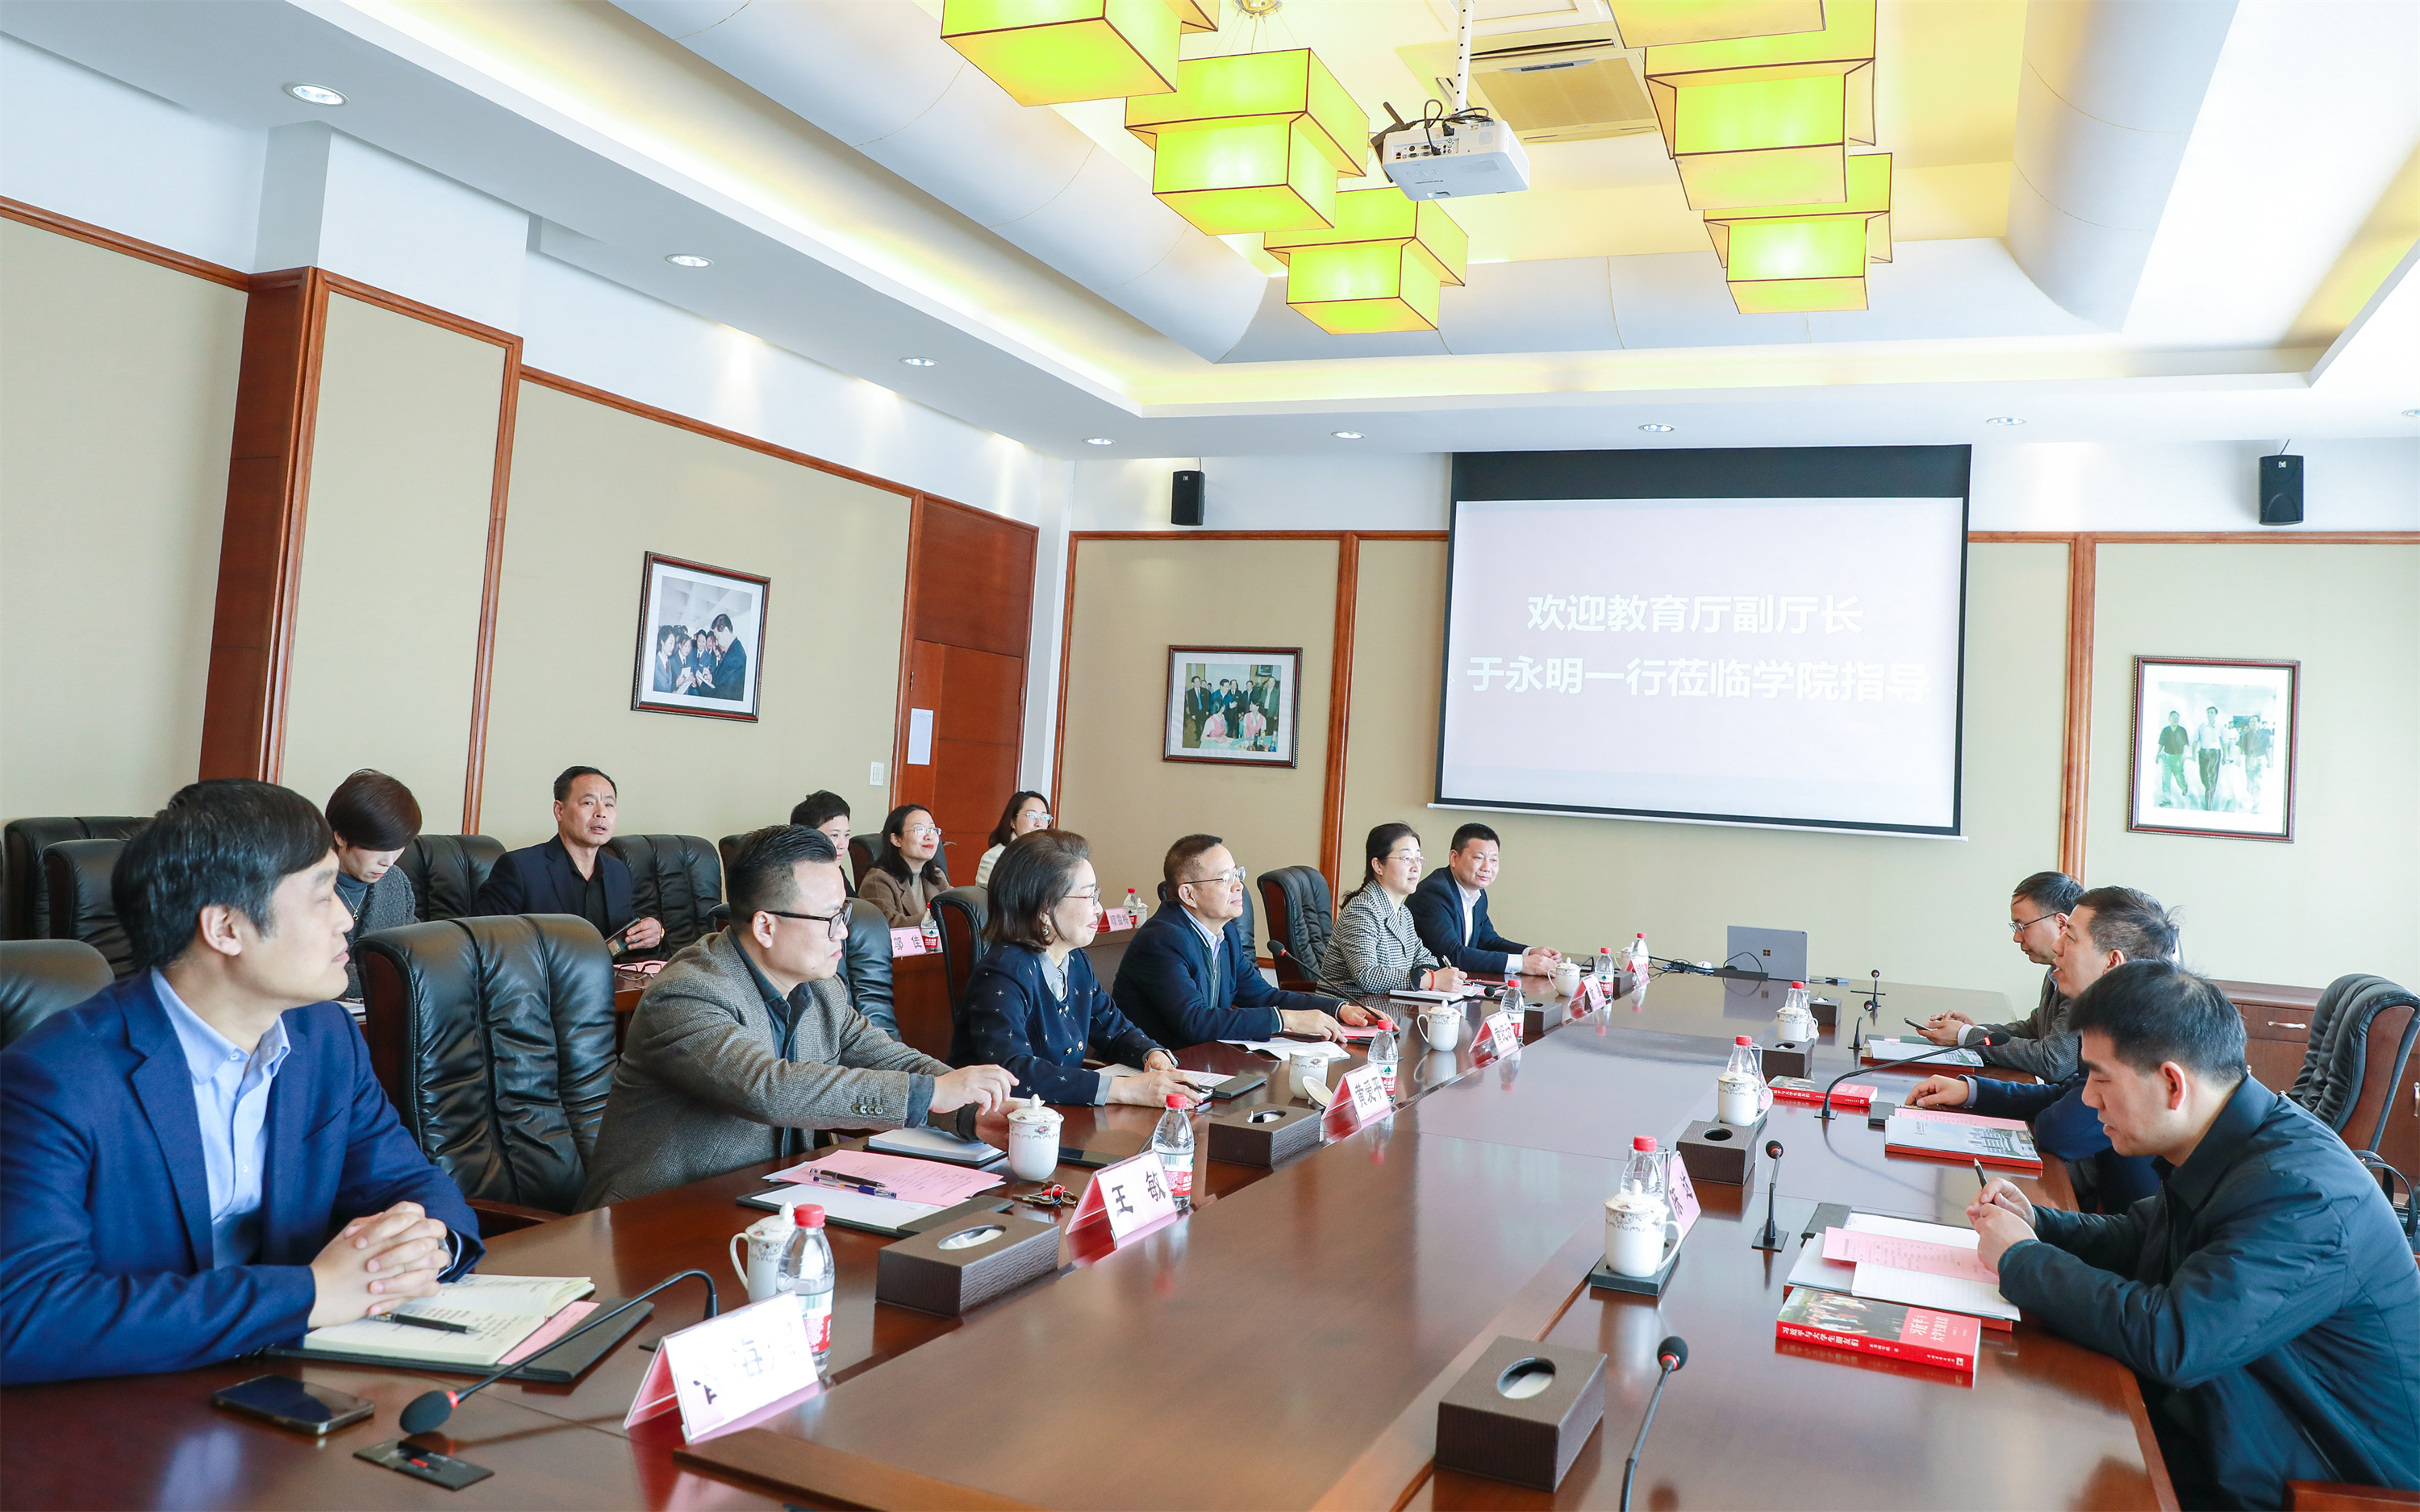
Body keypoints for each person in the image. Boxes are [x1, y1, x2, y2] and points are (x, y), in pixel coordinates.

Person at [0, 779, 482, 1384]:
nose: (346, 918)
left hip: (285, 1388)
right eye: (323, 894)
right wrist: (312, 1293)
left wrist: (424, 1246)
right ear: (226, 927)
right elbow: (25, 1314)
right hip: (121, 1402)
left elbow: (409, 1181)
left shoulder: (324, 1037)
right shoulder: (55, 1078)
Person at [1968, 961, 2420, 1509]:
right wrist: (2039, 1223)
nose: (2088, 1099)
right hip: (2231, 1426)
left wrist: (2020, 1258)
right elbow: (2140, 1237)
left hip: (2319, 1487)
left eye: (2101, 1078)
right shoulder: (2236, 1138)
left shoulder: (2301, 1194)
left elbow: (2175, 1339)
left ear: (2172, 1083)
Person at [579, 826, 1011, 1206]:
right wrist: (929, 1093)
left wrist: (973, 1110)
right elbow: (767, 1088)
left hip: (765, 1206)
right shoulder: (687, 992)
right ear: (766, 926)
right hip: (656, 1221)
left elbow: (890, 1060)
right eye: (830, 918)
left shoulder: (821, 989)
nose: (844, 932)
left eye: (844, 914)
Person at [1909, 885, 2168, 1210]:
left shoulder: (2139, 1037)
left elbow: (2061, 1130)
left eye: (2070, 937)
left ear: (2112, 962)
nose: (2058, 945)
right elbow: (2070, 1093)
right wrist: (1972, 1092)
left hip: (2135, 1230)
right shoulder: (2118, 1017)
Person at [952, 831, 1196, 1107]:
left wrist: (1151, 1054)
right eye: (1089, 896)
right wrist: (1125, 1089)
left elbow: (1113, 1030)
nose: (1099, 909)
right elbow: (1014, 1073)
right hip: (993, 1122)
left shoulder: (1076, 960)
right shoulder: (1003, 972)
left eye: (1096, 894)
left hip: (1056, 1115)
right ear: (1045, 908)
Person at [1114, 834, 1383, 1049]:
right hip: (1151, 1070)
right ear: (1188, 894)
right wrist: (1287, 1019)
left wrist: (1339, 1009)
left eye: (1237, 874)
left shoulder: (1227, 934)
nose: (1238, 886)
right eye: (1225, 879)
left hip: (1202, 1062)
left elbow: (1262, 996)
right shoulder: (1162, 939)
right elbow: (1195, 1022)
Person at [475, 766, 664, 957]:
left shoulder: (619, 871)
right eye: (588, 803)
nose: (601, 813)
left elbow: (625, 943)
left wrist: (652, 934)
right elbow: (483, 943)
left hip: (610, 976)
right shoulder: (520, 868)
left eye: (609, 805)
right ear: (559, 810)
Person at [1916, 870, 2083, 1081]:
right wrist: (1973, 1030)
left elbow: (2054, 1061)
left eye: (2022, 927)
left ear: (2061, 924)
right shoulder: (2055, 972)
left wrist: (1965, 1036)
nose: (2016, 938)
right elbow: (2033, 1029)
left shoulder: (2081, 980)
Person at [1320, 823, 1468, 998]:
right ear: (1378, 866)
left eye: (1418, 859)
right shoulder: (1361, 910)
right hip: (1350, 1007)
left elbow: (1423, 958)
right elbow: (1367, 976)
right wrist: (1430, 979)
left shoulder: (1403, 913)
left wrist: (1436, 975)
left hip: (1388, 1005)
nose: (1416, 867)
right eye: (1407, 859)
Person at [1408, 823, 1561, 979]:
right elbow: (1452, 955)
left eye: (1494, 860)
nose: (1487, 867)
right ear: (1454, 858)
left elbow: (1488, 942)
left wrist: (1529, 953)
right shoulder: (1434, 892)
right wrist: (1523, 964)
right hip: (1423, 987)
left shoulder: (1478, 894)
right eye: (1479, 858)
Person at [327, 768, 423, 1002]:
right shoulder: (301, 885)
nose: (388, 861)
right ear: (341, 836)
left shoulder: (395, 882)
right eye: (379, 848)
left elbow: (415, 955)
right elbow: (306, 972)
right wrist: (385, 975)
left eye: (398, 847)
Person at [858, 803, 948, 928]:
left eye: (932, 830)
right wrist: (938, 916)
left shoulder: (937, 876)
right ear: (896, 840)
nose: (929, 836)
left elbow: (955, 908)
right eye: (919, 830)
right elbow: (888, 925)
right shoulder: (878, 880)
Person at [976, 791, 1050, 887]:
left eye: (1044, 817)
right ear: (1012, 821)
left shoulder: (1050, 857)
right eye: (1032, 816)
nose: (1039, 824)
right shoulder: (994, 857)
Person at [790, 789, 857, 897]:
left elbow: (854, 903)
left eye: (846, 835)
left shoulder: (832, 868)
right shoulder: (791, 876)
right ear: (807, 836)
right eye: (834, 835)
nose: (843, 845)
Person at [701, 612, 747, 702]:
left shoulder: (735, 658)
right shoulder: (731, 650)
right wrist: (711, 677)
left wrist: (701, 684)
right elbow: (722, 675)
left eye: (717, 638)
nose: (717, 643)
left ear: (725, 631)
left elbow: (721, 695)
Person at [2193, 705, 2229, 809]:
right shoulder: (2201, 726)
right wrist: (2193, 753)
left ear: (2215, 715)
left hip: (2214, 753)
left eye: (2212, 713)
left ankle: (2208, 801)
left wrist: (2225, 755)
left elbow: (2224, 743)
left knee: (2212, 776)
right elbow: (2195, 740)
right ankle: (2210, 791)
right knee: (2203, 776)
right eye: (2208, 712)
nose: (2210, 714)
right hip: (2203, 753)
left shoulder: (2220, 727)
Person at [2155, 710, 2190, 806]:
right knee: (2165, 779)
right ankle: (2166, 799)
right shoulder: (2165, 730)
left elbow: (2186, 745)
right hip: (2166, 758)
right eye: (2173, 718)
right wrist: (2157, 755)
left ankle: (2184, 787)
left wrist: (2184, 754)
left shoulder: (2182, 731)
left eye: (2177, 718)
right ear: (2169, 719)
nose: (2175, 719)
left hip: (2178, 758)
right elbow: (2161, 744)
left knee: (2179, 777)